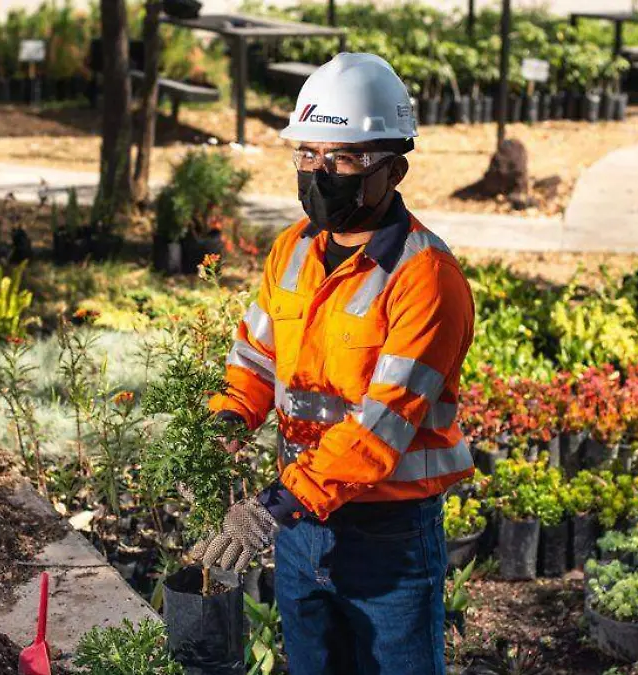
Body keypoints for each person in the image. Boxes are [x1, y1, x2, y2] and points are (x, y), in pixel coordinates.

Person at [190, 53, 476, 675]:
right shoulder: (291, 250)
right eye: (307, 156)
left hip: (388, 536)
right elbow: (255, 360)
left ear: (393, 168)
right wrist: (224, 425)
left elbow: (382, 426)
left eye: (343, 160)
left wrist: (272, 508)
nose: (320, 174)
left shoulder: (425, 278)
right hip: (299, 528)